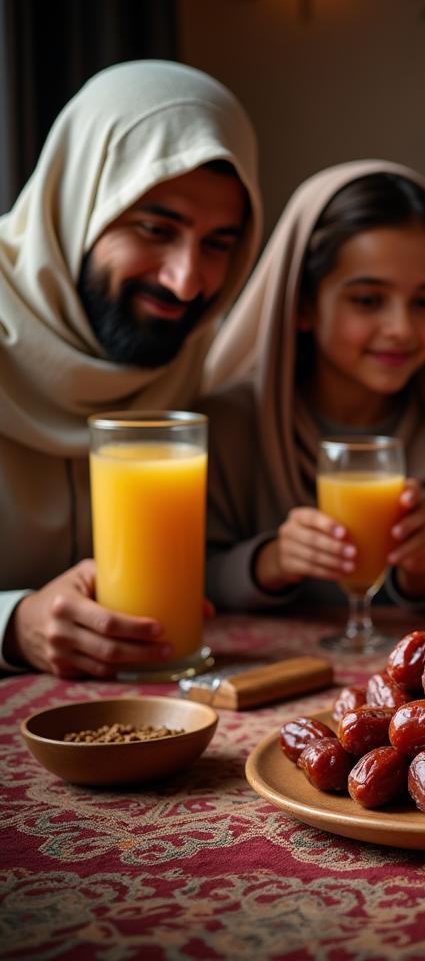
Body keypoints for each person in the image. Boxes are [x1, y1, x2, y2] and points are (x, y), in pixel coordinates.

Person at [0, 60, 262, 677]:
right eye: (155, 228)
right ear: (78, 202)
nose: (187, 280)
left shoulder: (191, 352)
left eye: (219, 243)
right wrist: (15, 622)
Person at [200, 161, 425, 611]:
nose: (401, 328)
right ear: (302, 305)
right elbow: (186, 575)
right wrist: (271, 560)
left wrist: (424, 570)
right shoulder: (228, 429)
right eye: (367, 300)